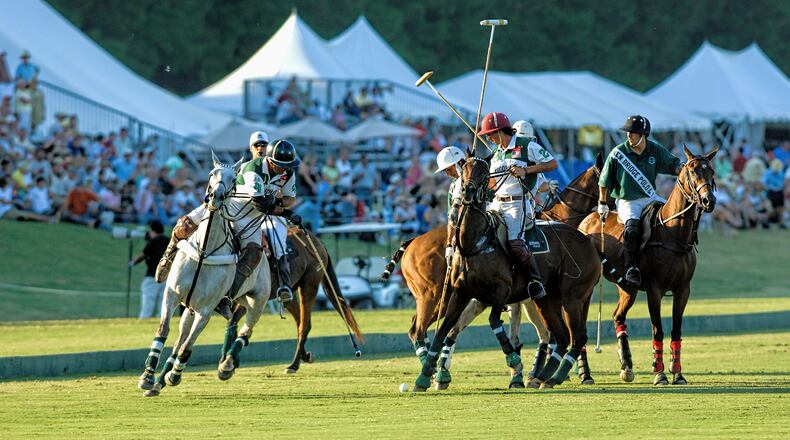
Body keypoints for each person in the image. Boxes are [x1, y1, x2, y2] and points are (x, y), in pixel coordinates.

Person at [478, 114, 557, 299]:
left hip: (517, 203)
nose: (488, 138)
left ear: (500, 131)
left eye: (490, 134)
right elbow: (493, 184)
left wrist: (526, 170)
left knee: (515, 245)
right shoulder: (496, 153)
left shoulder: (526, 145)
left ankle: (534, 281)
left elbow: (552, 163)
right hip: (496, 202)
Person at [597, 115, 682, 286]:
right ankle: (631, 268)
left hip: (650, 197)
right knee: (632, 229)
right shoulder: (618, 153)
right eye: (628, 132)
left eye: (633, 132)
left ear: (643, 135)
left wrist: (685, 168)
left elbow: (674, 165)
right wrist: (602, 203)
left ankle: (674, 259)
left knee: (674, 218)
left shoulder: (654, 149)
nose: (629, 135)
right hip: (627, 200)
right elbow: (603, 181)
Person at [434, 146, 466, 267]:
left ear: (459, 163)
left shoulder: (477, 175)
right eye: (445, 171)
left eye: (448, 169)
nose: (447, 174)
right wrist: (449, 244)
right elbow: (451, 218)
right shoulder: (453, 186)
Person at [130, 220, 169, 319]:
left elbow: (143, 255)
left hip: (152, 276)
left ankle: (145, 319)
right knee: (162, 303)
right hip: (167, 277)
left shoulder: (153, 241)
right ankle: (161, 321)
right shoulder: (168, 241)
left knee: (148, 302)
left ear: (153, 231)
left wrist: (132, 262)